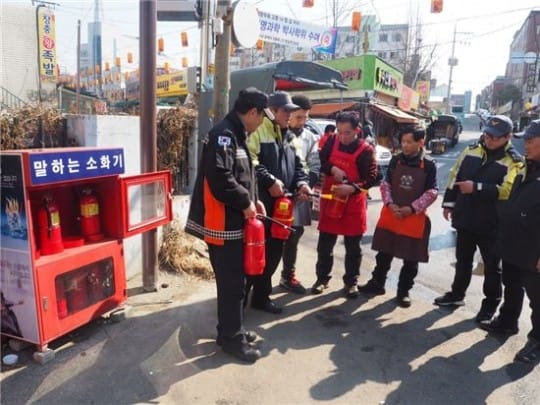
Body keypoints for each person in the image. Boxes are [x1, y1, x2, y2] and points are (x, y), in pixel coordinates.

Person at [185, 87, 273, 363]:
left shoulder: (237, 134)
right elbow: (221, 177)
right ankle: (231, 341)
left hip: (234, 222)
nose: (262, 123)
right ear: (252, 112)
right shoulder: (224, 134)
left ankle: (230, 331)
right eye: (261, 117)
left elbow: (244, 175)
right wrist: (246, 202)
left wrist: (253, 200)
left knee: (236, 282)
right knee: (232, 283)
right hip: (222, 224)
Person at [434, 115, 523, 323]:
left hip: (491, 223)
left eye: (495, 137)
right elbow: (455, 176)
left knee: (492, 267)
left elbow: (508, 191)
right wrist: (449, 203)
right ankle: (456, 295)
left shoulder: (514, 161)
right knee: (463, 261)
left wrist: (477, 188)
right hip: (465, 216)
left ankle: (490, 304)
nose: (489, 140)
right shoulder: (472, 150)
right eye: (487, 135)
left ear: (508, 137)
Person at [478, 119, 540, 363]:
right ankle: (507, 321)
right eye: (525, 139)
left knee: (538, 298)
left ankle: (537, 340)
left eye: (531, 140)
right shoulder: (528, 166)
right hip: (515, 242)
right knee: (512, 285)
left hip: (534, 250)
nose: (525, 144)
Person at [358, 125, 438, 307]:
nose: (405, 145)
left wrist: (412, 208)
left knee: (410, 260)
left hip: (413, 219)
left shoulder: (429, 165)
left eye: (409, 142)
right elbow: (385, 183)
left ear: (421, 142)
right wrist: (390, 203)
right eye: (403, 142)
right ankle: (377, 283)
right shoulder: (396, 160)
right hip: (391, 215)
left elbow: (432, 191)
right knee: (383, 254)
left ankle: (403, 292)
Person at [246, 91, 311, 313]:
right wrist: (269, 180)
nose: (290, 115)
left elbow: (302, 166)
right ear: (272, 111)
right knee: (255, 252)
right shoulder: (258, 130)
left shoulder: (291, 137)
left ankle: (261, 297)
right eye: (286, 110)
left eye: (292, 111)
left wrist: (303, 184)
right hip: (261, 205)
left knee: (274, 252)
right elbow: (250, 162)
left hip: (283, 207)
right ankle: (245, 296)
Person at [311, 111, 378, 298]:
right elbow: (322, 161)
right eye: (339, 132)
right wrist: (332, 168)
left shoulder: (366, 150)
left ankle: (351, 283)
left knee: (353, 248)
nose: (342, 137)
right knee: (325, 245)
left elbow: (371, 178)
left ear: (357, 130)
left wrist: (352, 188)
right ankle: (322, 279)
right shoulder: (331, 141)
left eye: (347, 132)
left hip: (352, 204)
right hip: (331, 200)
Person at [278, 94, 319, 294]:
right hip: (277, 195)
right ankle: (260, 279)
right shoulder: (276, 132)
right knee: (274, 236)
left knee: (294, 235)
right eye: (299, 117)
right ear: (288, 113)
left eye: (305, 117)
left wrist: (305, 188)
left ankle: (288, 275)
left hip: (301, 196)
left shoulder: (310, 138)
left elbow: (314, 166)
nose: (302, 121)